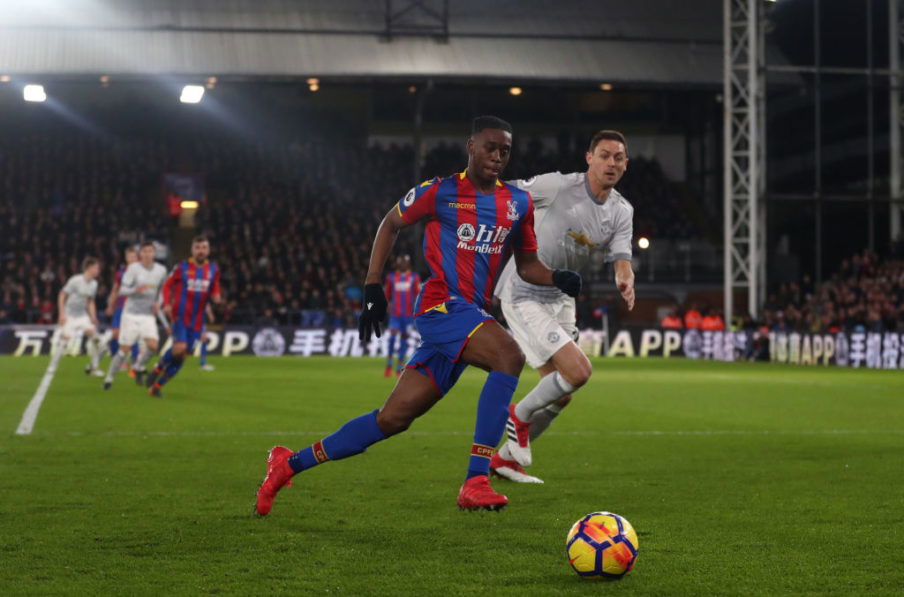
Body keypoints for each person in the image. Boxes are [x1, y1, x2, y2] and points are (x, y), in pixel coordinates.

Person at [255, 116, 581, 515]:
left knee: (392, 419)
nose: (498, 156)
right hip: (441, 307)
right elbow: (391, 223)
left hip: (469, 318)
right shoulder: (440, 191)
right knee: (509, 357)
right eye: (491, 147)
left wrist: (557, 278)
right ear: (471, 146)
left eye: (505, 151)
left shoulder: (518, 204)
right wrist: (373, 285)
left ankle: (288, 464)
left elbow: (528, 265)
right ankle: (476, 480)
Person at [491, 130, 636, 484]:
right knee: (580, 372)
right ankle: (519, 416)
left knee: (563, 392)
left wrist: (624, 277)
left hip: (561, 298)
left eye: (618, 157)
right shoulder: (557, 186)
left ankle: (504, 461)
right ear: (589, 158)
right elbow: (503, 192)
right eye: (604, 155)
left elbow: (621, 256)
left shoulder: (621, 210)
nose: (611, 163)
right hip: (523, 290)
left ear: (626, 164)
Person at [145, 236, 222, 397]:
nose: (201, 251)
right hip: (180, 316)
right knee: (179, 348)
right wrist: (166, 303)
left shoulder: (213, 270)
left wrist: (216, 297)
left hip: (198, 321)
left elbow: (214, 290)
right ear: (192, 250)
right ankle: (158, 367)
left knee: (182, 356)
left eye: (204, 248)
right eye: (198, 247)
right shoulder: (182, 267)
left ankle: (156, 388)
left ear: (208, 250)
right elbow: (167, 285)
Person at [104, 242, 167, 389]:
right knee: (124, 350)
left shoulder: (161, 270)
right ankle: (109, 378)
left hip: (147, 315)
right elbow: (122, 291)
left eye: (150, 251)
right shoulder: (133, 269)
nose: (147, 254)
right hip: (131, 314)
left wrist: (159, 303)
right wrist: (135, 290)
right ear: (140, 254)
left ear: (154, 253)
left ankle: (139, 366)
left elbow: (163, 290)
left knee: (153, 346)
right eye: (144, 251)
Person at [55, 257, 105, 375]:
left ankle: (93, 368)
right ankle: (53, 366)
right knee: (64, 340)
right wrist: (62, 314)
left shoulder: (94, 284)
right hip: (69, 315)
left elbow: (90, 301)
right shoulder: (75, 280)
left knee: (95, 338)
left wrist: (93, 316)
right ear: (89, 268)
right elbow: (62, 295)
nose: (98, 270)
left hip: (82, 315)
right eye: (96, 267)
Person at [383, 255, 421, 377]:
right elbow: (387, 295)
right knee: (392, 337)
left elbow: (418, 295)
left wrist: (417, 309)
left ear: (408, 263)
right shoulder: (391, 277)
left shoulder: (414, 277)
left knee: (404, 339)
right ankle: (389, 363)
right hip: (395, 314)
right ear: (397, 264)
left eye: (405, 262)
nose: (403, 264)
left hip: (408, 315)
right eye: (401, 262)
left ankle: (399, 365)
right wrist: (386, 305)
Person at [105, 247, 139, 369]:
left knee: (134, 335)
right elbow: (115, 290)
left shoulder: (142, 273)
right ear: (126, 257)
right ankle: (117, 360)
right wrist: (110, 305)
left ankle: (135, 362)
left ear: (137, 257)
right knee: (115, 334)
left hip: (135, 309)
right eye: (129, 256)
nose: (131, 258)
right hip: (121, 307)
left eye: (133, 256)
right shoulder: (121, 273)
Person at [199, 303, 216, 372]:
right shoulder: (203, 294)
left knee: (204, 339)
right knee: (204, 339)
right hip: (197, 320)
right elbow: (206, 305)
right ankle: (203, 363)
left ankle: (203, 363)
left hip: (199, 320)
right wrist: (210, 315)